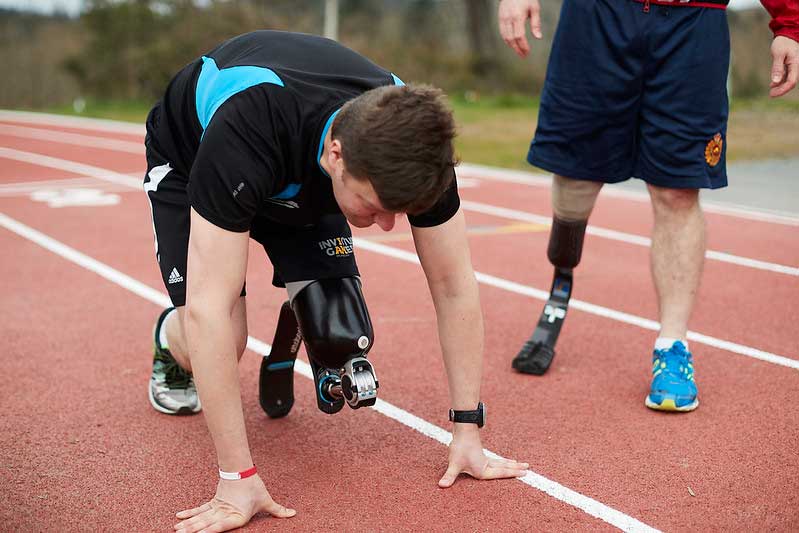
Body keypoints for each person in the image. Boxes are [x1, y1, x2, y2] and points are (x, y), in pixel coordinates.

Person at [143, 30, 528, 533]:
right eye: (375, 207)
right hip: (197, 153)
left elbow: (454, 285)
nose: (388, 225)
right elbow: (209, 307)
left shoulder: (414, 147)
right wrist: (237, 478)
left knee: (340, 327)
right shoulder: (247, 129)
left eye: (399, 211)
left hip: (304, 165)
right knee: (218, 339)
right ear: (337, 156)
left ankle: (309, 295)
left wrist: (467, 431)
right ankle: (166, 343)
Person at [497, 0, 798, 411]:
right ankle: (561, 284)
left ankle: (672, 347)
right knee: (575, 177)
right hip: (598, 16)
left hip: (693, 23)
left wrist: (790, 21)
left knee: (678, 189)